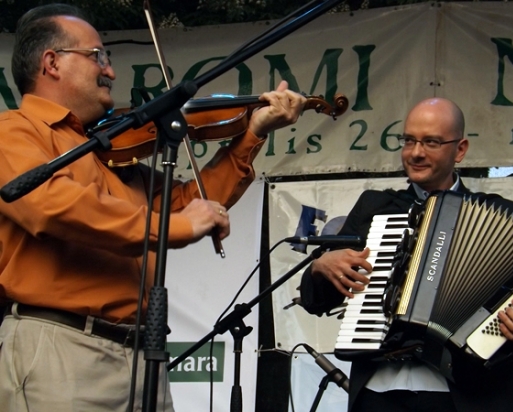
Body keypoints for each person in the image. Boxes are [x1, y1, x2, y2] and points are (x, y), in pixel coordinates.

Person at [0, 4, 307, 412]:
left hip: (142, 353)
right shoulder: (13, 132)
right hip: (62, 348)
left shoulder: (106, 152)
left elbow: (187, 203)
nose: (110, 71)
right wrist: (174, 228)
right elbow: (52, 205)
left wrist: (251, 132)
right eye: (98, 56)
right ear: (52, 63)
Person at [299, 97, 513, 412]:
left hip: (468, 397)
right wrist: (320, 267)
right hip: (380, 394)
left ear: (460, 149)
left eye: (431, 142)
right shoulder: (374, 208)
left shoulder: (504, 217)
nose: (416, 152)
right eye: (409, 140)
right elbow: (316, 301)